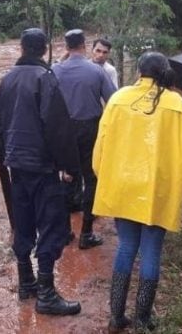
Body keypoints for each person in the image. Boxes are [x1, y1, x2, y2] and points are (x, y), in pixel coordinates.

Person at [92, 52, 182, 332]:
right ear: (164, 72)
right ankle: (142, 319)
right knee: (151, 250)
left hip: (123, 187)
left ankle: (116, 316)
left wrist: (106, 177)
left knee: (126, 246)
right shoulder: (177, 105)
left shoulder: (118, 99)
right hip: (159, 190)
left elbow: (100, 151)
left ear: (139, 72)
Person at [0, 28, 81, 316]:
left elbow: (1, 123)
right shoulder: (45, 79)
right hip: (42, 167)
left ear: (21, 48)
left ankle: (26, 283)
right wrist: (69, 166)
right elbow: (58, 128)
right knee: (51, 225)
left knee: (23, 222)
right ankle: (46, 293)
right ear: (44, 50)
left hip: (16, 166)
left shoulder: (7, 80)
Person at [53, 29, 116, 249]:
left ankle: (64, 231)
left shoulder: (55, 71)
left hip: (63, 130)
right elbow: (113, 101)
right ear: (85, 45)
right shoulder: (97, 72)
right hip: (90, 129)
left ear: (66, 46)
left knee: (66, 176)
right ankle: (86, 233)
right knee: (91, 178)